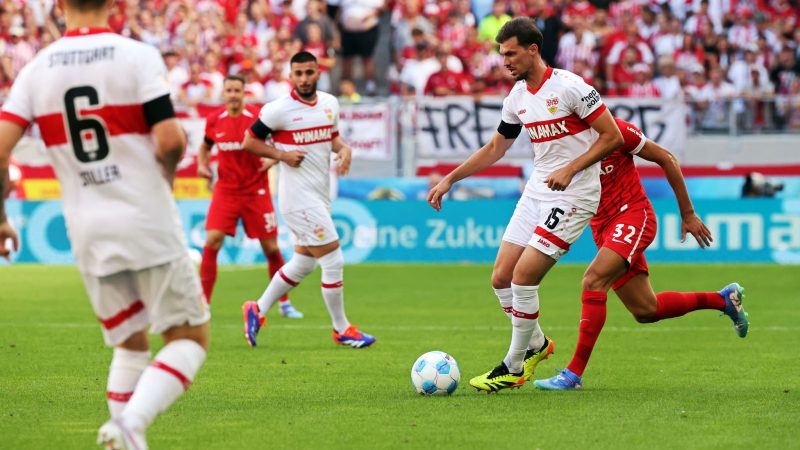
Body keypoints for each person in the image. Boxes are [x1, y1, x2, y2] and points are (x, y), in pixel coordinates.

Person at [0, 1, 210, 448]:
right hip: (144, 217)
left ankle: (127, 439)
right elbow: (170, 140)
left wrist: (1, 218)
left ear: (59, 6)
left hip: (86, 228)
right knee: (189, 338)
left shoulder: (36, 70)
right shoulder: (135, 55)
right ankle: (130, 423)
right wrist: (165, 178)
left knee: (131, 344)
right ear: (114, 4)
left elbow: (1, 149)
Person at [427, 17, 623, 392]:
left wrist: (572, 167)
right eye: (502, 54)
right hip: (538, 190)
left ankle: (513, 366)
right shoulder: (516, 97)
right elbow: (495, 148)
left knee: (523, 278)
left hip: (575, 193)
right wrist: (450, 178)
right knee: (501, 277)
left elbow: (611, 136)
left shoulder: (571, 87)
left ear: (533, 49)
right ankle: (537, 344)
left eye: (511, 53)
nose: (506, 61)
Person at [531, 118, 749, 390]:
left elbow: (667, 158)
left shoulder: (615, 131)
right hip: (602, 227)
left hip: (633, 215)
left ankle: (572, 375)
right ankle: (723, 300)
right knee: (646, 309)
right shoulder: (562, 144)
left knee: (593, 281)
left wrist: (688, 213)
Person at [240, 51, 376, 349]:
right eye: (298, 73)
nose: (304, 79)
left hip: (319, 194)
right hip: (297, 199)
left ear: (318, 73)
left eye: (309, 73)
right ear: (291, 75)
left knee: (302, 262)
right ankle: (342, 329)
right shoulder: (278, 110)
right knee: (333, 258)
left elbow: (332, 138)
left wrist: (346, 149)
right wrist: (282, 155)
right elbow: (249, 141)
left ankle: (258, 309)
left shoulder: (330, 104)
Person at [196, 74, 303, 319]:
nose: (233, 94)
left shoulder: (257, 117)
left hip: (256, 190)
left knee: (271, 248)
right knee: (212, 241)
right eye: (229, 90)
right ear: (223, 94)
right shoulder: (215, 120)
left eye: (237, 90)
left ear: (244, 93)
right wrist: (203, 165)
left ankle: (284, 302)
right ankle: (203, 304)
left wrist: (271, 158)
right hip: (226, 191)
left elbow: (279, 142)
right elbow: (205, 146)